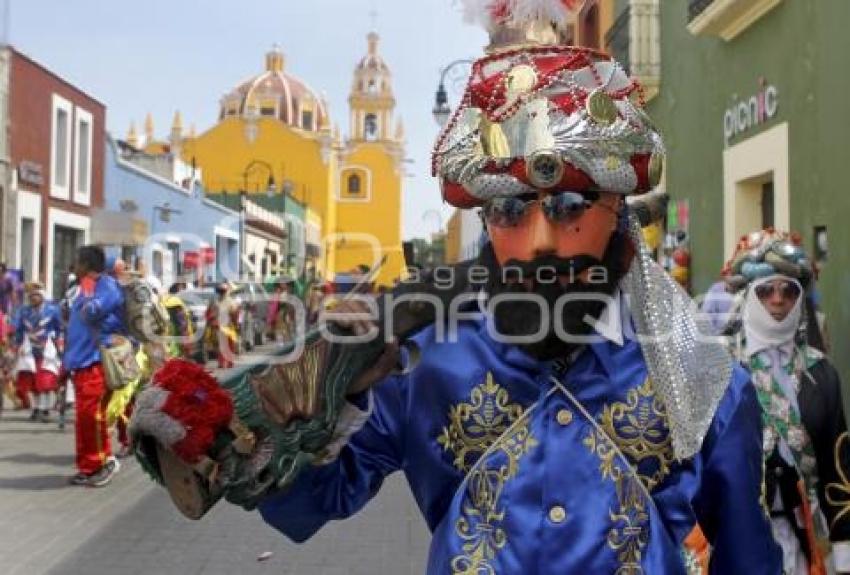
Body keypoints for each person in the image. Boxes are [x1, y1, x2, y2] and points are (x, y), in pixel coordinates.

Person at [132, 2, 780, 572]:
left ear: (618, 206)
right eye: (508, 210)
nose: (541, 241)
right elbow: (322, 497)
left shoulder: (701, 374)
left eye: (570, 204)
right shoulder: (422, 359)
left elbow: (748, 556)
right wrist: (277, 421)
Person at [722, 229, 850, 574]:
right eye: (765, 291)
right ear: (748, 296)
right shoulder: (720, 368)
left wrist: (843, 544)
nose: (778, 300)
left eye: (788, 291)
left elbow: (837, 466)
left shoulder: (821, 373)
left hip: (804, 540)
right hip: (733, 539)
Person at [63, 245, 127, 487]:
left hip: (97, 362)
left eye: (77, 262)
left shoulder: (107, 287)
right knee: (84, 418)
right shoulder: (82, 288)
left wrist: (86, 288)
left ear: (87, 266)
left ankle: (102, 463)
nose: (73, 265)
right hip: (81, 363)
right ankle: (88, 466)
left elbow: (92, 313)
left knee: (93, 416)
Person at [13, 283, 63, 422]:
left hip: (47, 348)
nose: (33, 298)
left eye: (36, 295)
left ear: (42, 295)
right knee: (31, 380)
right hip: (29, 349)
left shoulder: (52, 310)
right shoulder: (24, 311)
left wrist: (58, 342)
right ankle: (36, 408)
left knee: (45, 379)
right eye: (31, 296)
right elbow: (18, 329)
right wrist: (17, 345)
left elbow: (59, 328)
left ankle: (45, 408)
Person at [205, 282, 238, 369]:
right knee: (226, 345)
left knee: (223, 345)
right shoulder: (230, 301)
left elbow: (209, 313)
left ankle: (224, 362)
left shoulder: (216, 302)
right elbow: (234, 314)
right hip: (225, 326)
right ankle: (227, 362)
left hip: (223, 326)